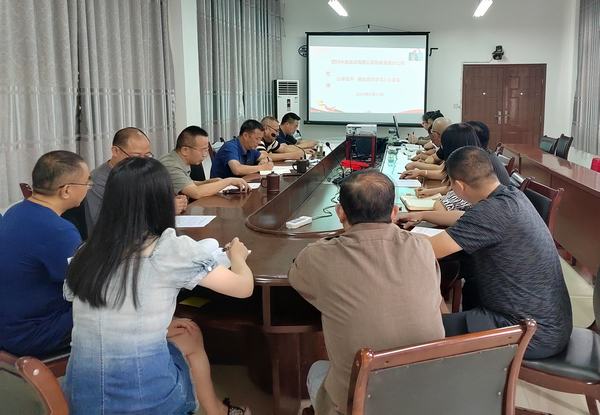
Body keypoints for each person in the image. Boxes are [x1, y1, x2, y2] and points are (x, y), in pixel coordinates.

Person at [64, 157, 252, 415]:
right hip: (146, 401)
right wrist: (238, 257)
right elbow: (243, 288)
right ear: (161, 201)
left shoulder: (87, 251)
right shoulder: (168, 248)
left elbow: (106, 308)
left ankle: (217, 410)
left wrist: (161, 325)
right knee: (190, 335)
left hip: (82, 398)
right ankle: (217, 411)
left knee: (189, 334)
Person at [289, 169, 445, 415]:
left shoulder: (318, 256)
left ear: (340, 213)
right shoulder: (423, 248)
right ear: (394, 213)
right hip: (426, 395)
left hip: (359, 404)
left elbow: (297, 279)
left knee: (317, 370)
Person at [400, 146, 572, 359]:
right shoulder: (510, 196)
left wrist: (388, 233)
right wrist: (423, 215)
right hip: (546, 323)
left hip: (528, 333)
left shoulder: (491, 212)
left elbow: (426, 251)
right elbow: (463, 218)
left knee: (422, 332)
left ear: (459, 186)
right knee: (459, 279)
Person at [0, 151, 90, 356]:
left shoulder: (15, 211)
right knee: (113, 304)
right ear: (66, 190)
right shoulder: (58, 230)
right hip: (33, 333)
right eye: (87, 183)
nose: (88, 188)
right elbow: (85, 285)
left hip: (9, 325)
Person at [86, 127, 187, 231]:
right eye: (136, 156)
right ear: (115, 151)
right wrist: (165, 211)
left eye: (147, 156)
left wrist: (171, 201)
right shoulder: (97, 182)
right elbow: (107, 224)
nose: (143, 162)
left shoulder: (144, 171)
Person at [160, 126, 251, 199]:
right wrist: (228, 181)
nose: (205, 154)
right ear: (185, 150)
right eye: (203, 150)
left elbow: (188, 183)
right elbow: (196, 192)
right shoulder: (171, 165)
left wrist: (210, 182)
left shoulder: (180, 160)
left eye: (207, 149)